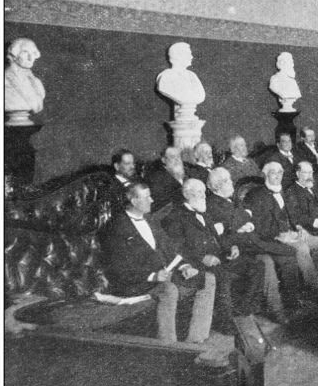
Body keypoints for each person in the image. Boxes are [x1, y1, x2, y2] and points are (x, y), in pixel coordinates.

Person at [102, 182, 215, 344]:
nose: (152, 200)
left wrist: (184, 266)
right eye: (147, 197)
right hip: (137, 281)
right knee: (168, 290)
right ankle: (169, 346)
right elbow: (120, 268)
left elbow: (168, 247)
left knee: (207, 279)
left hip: (164, 274)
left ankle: (196, 340)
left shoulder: (150, 219)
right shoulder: (118, 227)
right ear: (134, 201)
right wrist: (153, 276)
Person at [205, 167, 300, 324]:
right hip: (239, 247)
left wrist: (244, 222)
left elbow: (245, 219)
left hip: (251, 240)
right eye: (228, 181)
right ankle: (276, 311)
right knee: (271, 260)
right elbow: (230, 226)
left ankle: (292, 304)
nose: (232, 184)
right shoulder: (213, 205)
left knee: (289, 255)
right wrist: (243, 222)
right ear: (217, 186)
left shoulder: (229, 200)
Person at [162, 178, 251, 333]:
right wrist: (202, 258)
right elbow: (177, 248)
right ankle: (225, 322)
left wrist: (231, 247)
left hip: (219, 256)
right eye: (199, 192)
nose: (204, 196)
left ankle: (242, 312)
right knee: (222, 276)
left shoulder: (204, 212)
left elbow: (218, 236)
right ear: (187, 194)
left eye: (204, 191)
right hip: (197, 262)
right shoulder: (175, 217)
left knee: (256, 267)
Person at [247, 161, 318, 290]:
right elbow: (260, 226)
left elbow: (293, 215)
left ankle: (315, 281)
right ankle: (315, 287)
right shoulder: (257, 195)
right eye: (273, 173)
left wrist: (299, 228)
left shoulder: (283, 192)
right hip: (275, 237)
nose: (277, 176)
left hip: (293, 232)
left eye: (280, 172)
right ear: (265, 175)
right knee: (302, 248)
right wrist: (280, 235)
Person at [155, 42, 205, 118]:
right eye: (189, 54)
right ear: (178, 56)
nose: (191, 57)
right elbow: (165, 88)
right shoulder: (166, 76)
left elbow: (201, 96)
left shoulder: (192, 75)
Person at [4, 38, 46, 124]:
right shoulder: (4, 80)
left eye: (33, 53)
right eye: (25, 52)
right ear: (14, 55)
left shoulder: (37, 82)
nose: (30, 58)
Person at [148, 146, 187, 213]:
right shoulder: (156, 179)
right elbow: (160, 205)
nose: (177, 160)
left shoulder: (187, 174)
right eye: (172, 157)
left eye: (178, 156)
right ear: (164, 160)